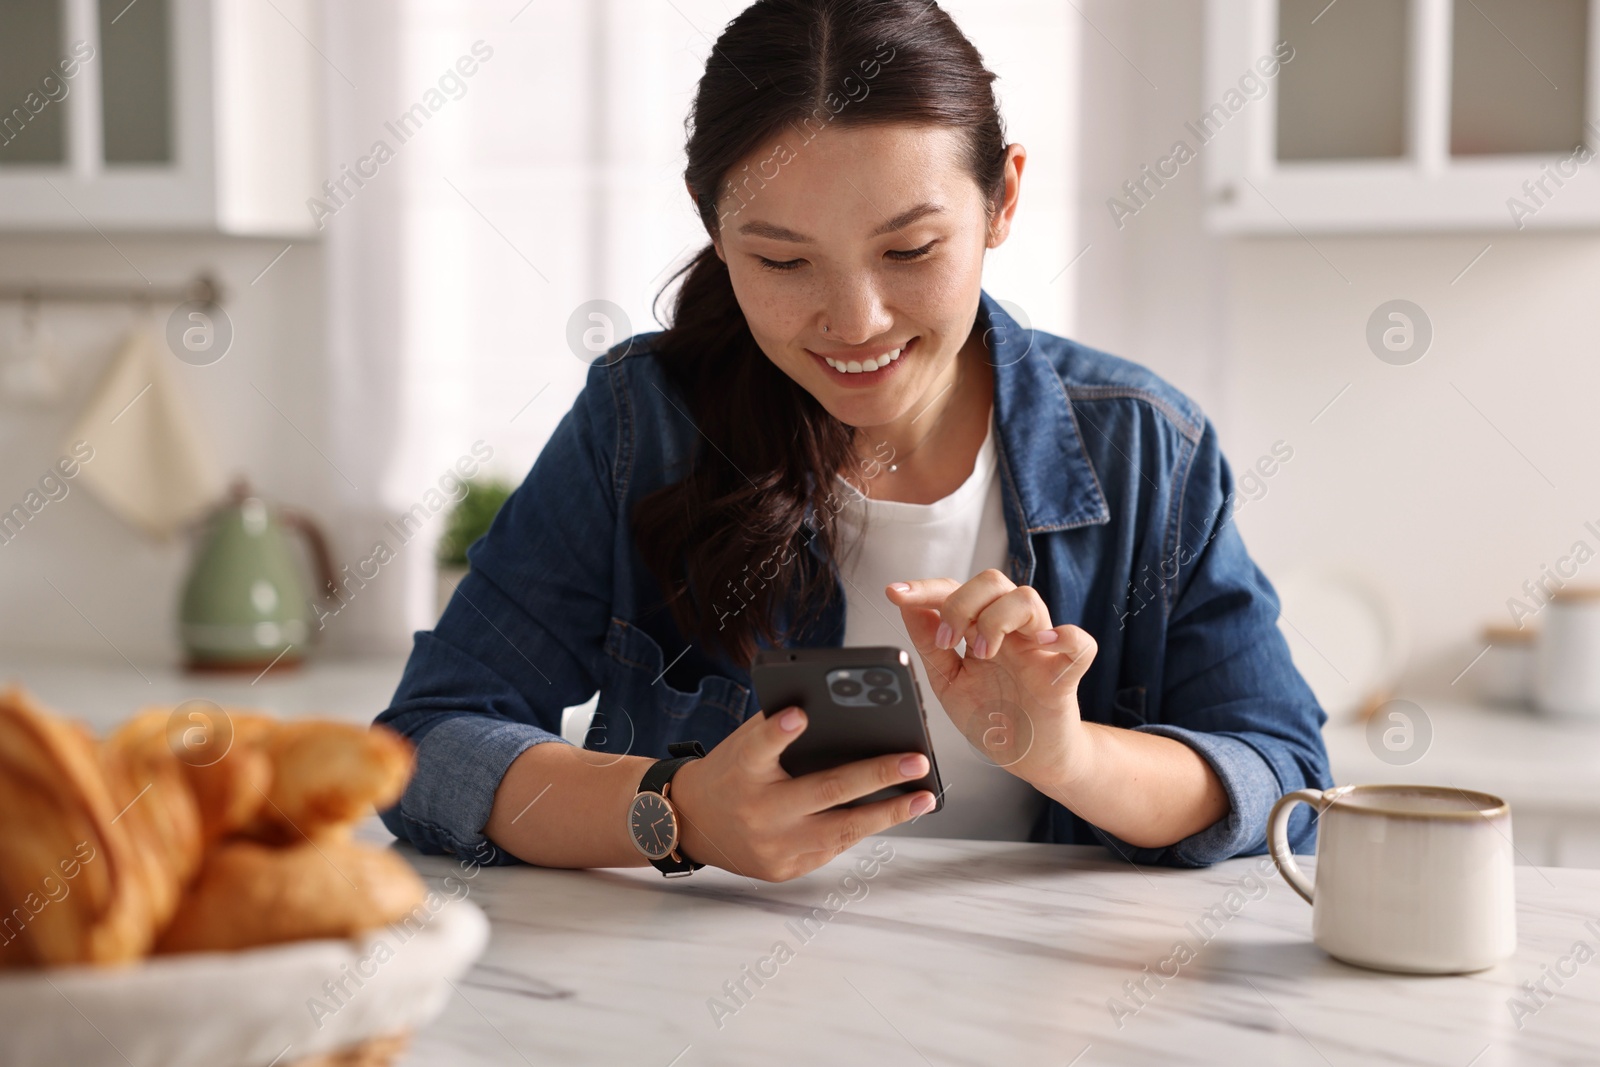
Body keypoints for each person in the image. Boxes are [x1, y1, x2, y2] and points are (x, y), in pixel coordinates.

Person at [375, 0, 1332, 881]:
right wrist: (678, 811)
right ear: (715, 231)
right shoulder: (644, 422)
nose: (856, 320)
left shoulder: (1145, 445)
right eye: (783, 260)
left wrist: (1069, 755)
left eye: (910, 250)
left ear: (1003, 199)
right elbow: (423, 744)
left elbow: (1286, 777)